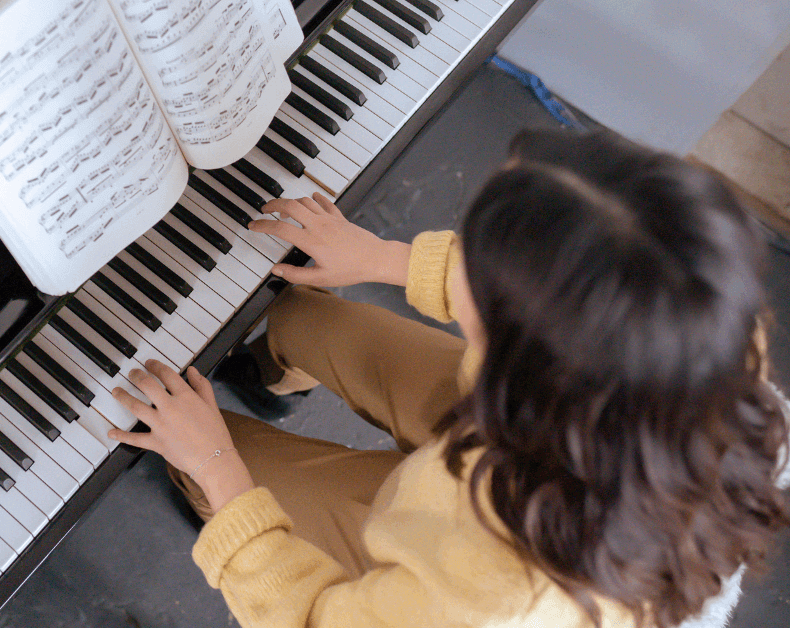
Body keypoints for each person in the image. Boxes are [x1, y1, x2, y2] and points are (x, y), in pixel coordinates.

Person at [105, 129, 790, 628]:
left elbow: (314, 620)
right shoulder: (698, 318)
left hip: (487, 539)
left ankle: (221, 455)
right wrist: (382, 258)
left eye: (482, 288)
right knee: (303, 317)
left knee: (212, 456)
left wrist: (217, 465)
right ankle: (274, 371)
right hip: (527, 449)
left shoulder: (496, 601)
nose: (465, 281)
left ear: (532, 351)